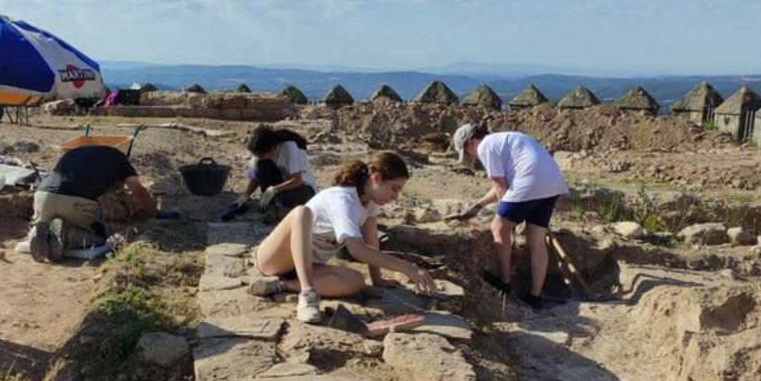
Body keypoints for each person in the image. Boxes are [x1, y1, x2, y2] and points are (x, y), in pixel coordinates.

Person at [247, 152, 436, 324]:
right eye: (394, 188)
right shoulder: (342, 199)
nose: (395, 196)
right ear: (377, 178)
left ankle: (281, 285)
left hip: (305, 267)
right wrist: (408, 268)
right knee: (302, 212)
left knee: (356, 281)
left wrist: (377, 279)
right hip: (273, 260)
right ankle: (308, 294)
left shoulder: (369, 204)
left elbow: (372, 243)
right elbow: (357, 249)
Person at [448, 123, 569, 309]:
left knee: (497, 227)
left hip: (529, 182)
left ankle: (504, 282)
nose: (472, 157)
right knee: (536, 241)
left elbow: (500, 188)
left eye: (468, 152)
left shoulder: (486, 146)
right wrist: (477, 206)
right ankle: (534, 296)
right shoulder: (504, 140)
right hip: (552, 183)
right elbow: (502, 186)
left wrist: (507, 220)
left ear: (471, 142)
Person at [29, 144, 157, 262]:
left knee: (50, 222)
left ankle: (38, 232)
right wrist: (156, 214)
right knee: (100, 237)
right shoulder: (119, 157)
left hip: (42, 197)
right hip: (75, 202)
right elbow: (139, 192)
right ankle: (65, 236)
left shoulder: (72, 153)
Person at [237, 125, 317, 211]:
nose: (259, 156)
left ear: (272, 148)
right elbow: (255, 177)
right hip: (282, 185)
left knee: (289, 197)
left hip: (302, 187)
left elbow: (296, 180)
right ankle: (270, 205)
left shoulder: (289, 147)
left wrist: (274, 189)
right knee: (261, 164)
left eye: (261, 154)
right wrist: (246, 194)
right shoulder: (259, 152)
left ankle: (281, 205)